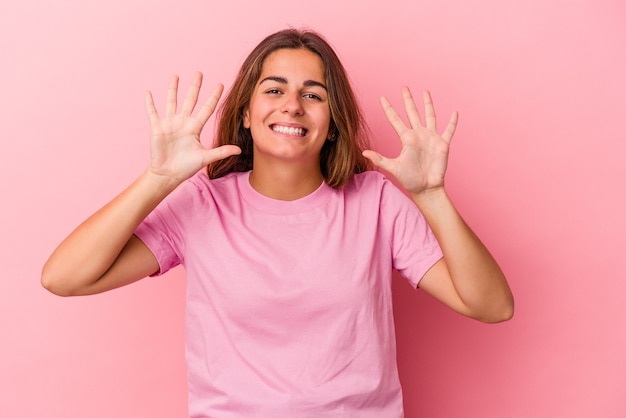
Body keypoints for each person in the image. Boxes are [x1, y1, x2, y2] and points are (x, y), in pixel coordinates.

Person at [42, 29, 513, 417]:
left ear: (333, 122)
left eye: (313, 94)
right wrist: (157, 179)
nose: (292, 105)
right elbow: (63, 278)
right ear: (246, 113)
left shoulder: (376, 203)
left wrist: (431, 196)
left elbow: (492, 306)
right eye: (274, 90)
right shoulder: (202, 204)